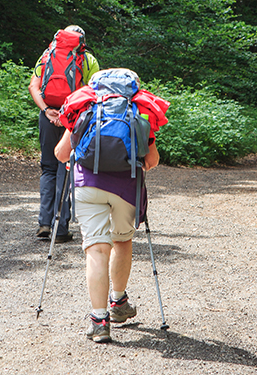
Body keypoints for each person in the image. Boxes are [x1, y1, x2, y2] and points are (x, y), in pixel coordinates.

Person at [54, 68, 168, 344]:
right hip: (125, 188)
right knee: (122, 241)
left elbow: (60, 154)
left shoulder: (85, 104)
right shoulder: (139, 108)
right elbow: (151, 160)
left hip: (87, 186)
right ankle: (118, 303)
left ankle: (99, 320)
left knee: (96, 249)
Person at [28, 25, 99, 243]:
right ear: (82, 40)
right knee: (65, 168)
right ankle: (60, 229)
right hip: (73, 118)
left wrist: (46, 110)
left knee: (48, 167)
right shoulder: (88, 60)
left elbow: (33, 86)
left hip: (47, 114)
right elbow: (94, 92)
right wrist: (69, 115)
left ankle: (44, 223)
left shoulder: (47, 55)